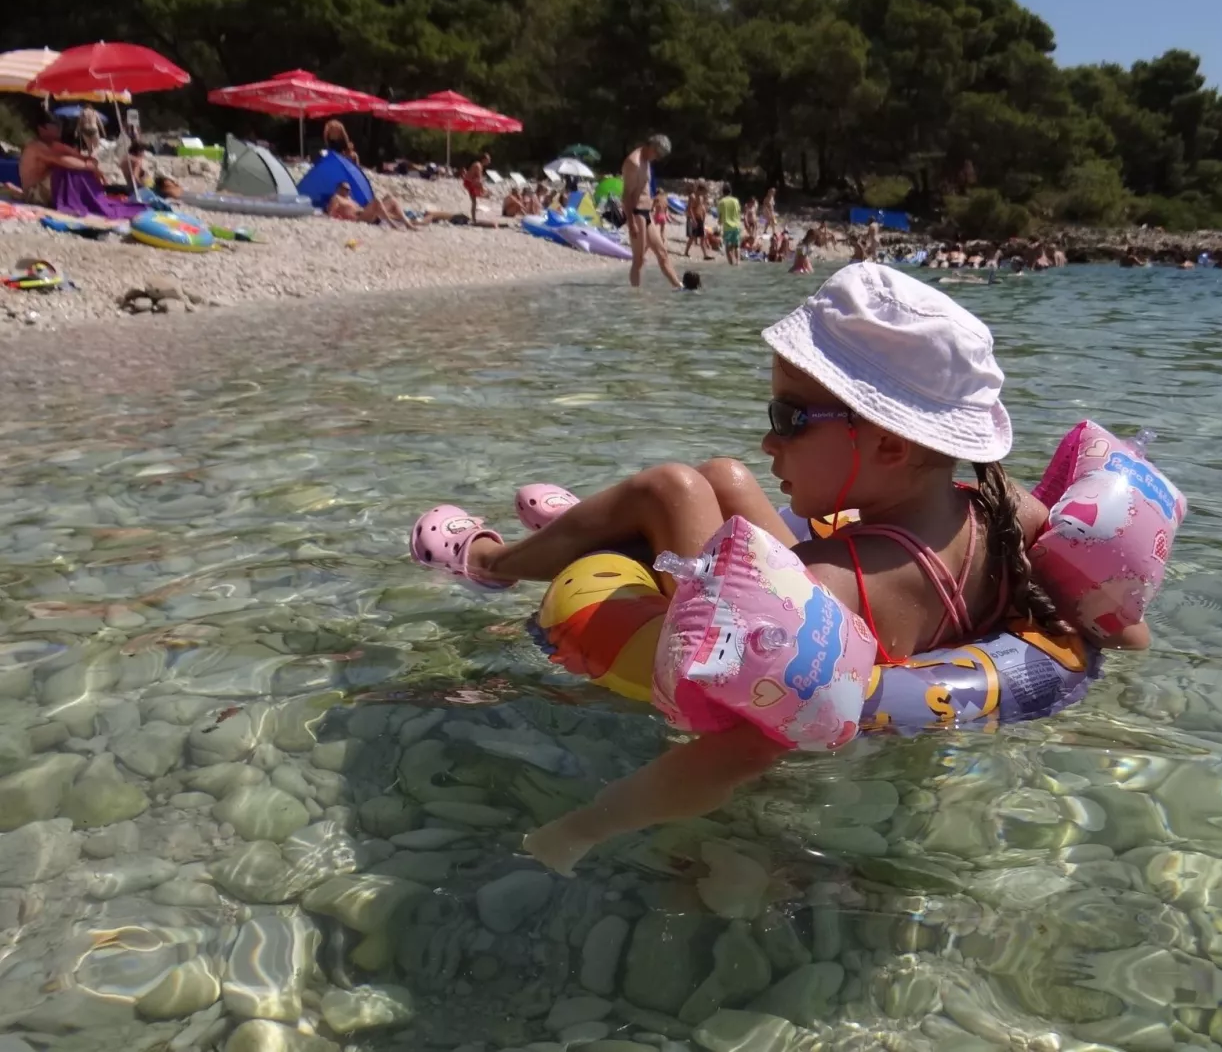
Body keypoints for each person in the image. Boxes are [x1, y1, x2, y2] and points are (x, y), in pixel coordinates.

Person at [408, 264, 1150, 874]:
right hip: (882, 596)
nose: (772, 443)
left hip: (779, 612)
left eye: (789, 419)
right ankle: (591, 527)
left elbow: (739, 751)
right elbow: (1119, 620)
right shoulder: (1000, 506)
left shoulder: (833, 577)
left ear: (891, 446)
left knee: (672, 488)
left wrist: (580, 829)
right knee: (726, 476)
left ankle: (492, 560)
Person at [622, 135, 681, 289]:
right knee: (639, 259)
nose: (658, 158)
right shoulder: (633, 163)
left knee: (662, 253)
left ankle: (679, 287)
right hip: (636, 213)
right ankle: (636, 296)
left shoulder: (646, 161)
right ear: (652, 147)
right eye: (658, 154)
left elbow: (644, 188)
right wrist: (631, 223)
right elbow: (626, 195)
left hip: (647, 213)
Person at [328, 180, 414, 228]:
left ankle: (408, 224)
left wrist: (361, 209)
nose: (348, 191)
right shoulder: (336, 198)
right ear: (339, 188)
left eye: (349, 189)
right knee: (376, 200)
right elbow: (331, 214)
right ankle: (392, 223)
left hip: (363, 213)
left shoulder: (349, 198)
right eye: (346, 189)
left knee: (390, 198)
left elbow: (357, 207)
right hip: (358, 219)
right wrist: (341, 217)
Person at [716, 183, 742, 266]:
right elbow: (739, 213)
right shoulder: (736, 201)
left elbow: (720, 217)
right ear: (730, 192)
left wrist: (719, 222)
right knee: (736, 246)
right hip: (737, 226)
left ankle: (732, 265)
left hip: (727, 227)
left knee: (728, 248)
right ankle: (738, 262)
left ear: (723, 192)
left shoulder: (721, 202)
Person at [462, 153, 490, 223]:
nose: (489, 161)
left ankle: (474, 218)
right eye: (488, 159)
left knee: (474, 201)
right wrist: (483, 189)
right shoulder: (478, 166)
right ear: (484, 160)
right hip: (469, 182)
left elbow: (478, 179)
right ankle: (474, 219)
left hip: (471, 182)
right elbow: (479, 180)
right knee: (474, 201)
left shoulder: (479, 165)